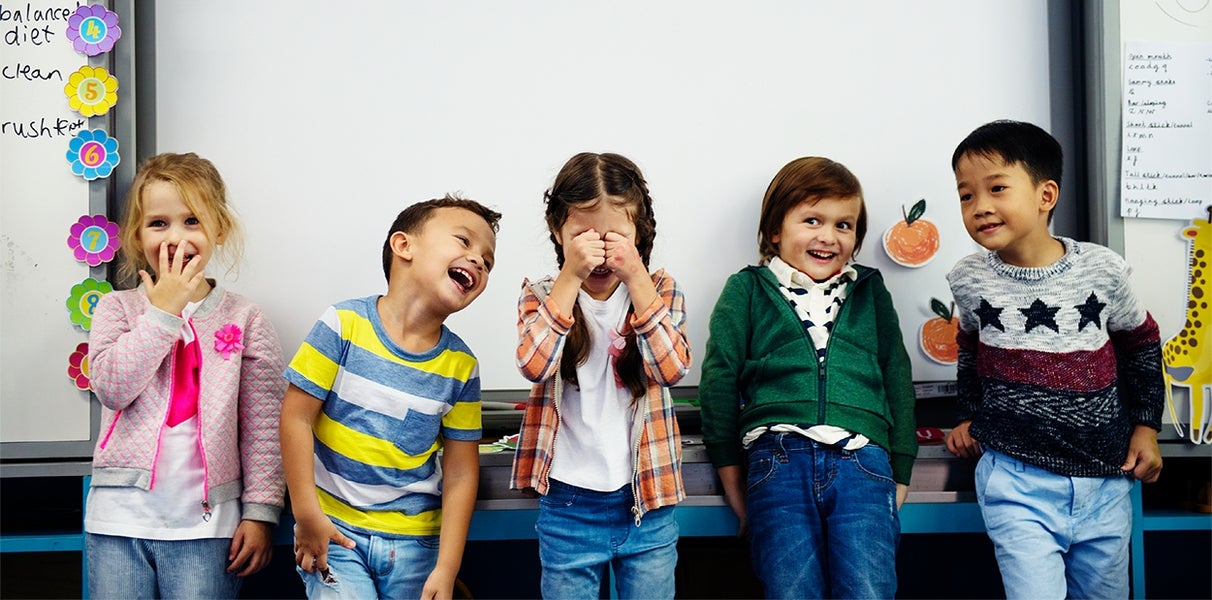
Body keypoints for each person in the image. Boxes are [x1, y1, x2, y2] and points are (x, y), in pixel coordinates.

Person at [944, 119, 1164, 599]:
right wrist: (967, 415)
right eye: (965, 195)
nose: (979, 206)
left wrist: (1147, 426)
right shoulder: (967, 278)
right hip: (1015, 480)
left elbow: (1141, 343)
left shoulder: (1102, 268)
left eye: (996, 188)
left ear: (1046, 196)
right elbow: (970, 348)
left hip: (1105, 480)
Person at [698, 156, 917, 599]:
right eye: (812, 220)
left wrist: (902, 471)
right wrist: (733, 483)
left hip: (863, 463)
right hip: (777, 462)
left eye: (844, 225)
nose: (828, 236)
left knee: (868, 591)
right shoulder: (747, 290)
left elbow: (897, 374)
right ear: (775, 230)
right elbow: (717, 383)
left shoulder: (869, 289)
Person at [85, 152, 286, 599]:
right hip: (118, 521)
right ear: (137, 236)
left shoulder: (246, 318)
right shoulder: (116, 309)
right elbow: (114, 388)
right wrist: (163, 311)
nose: (175, 236)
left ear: (219, 230)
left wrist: (260, 512)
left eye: (191, 220)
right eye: (158, 223)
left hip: (208, 528)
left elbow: (263, 428)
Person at [280, 195, 499, 599]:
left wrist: (446, 570)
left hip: (415, 545)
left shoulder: (462, 366)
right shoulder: (342, 325)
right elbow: (295, 418)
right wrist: (306, 514)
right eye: (464, 241)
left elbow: (461, 473)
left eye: (487, 260)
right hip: (334, 534)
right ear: (404, 246)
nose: (478, 261)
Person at [510, 152, 692, 599]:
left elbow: (672, 369)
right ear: (558, 232)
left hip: (646, 500)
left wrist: (637, 278)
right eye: (583, 236)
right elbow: (534, 365)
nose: (600, 251)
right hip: (569, 503)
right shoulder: (539, 296)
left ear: (638, 232)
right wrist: (570, 276)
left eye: (615, 237)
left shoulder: (661, 291)